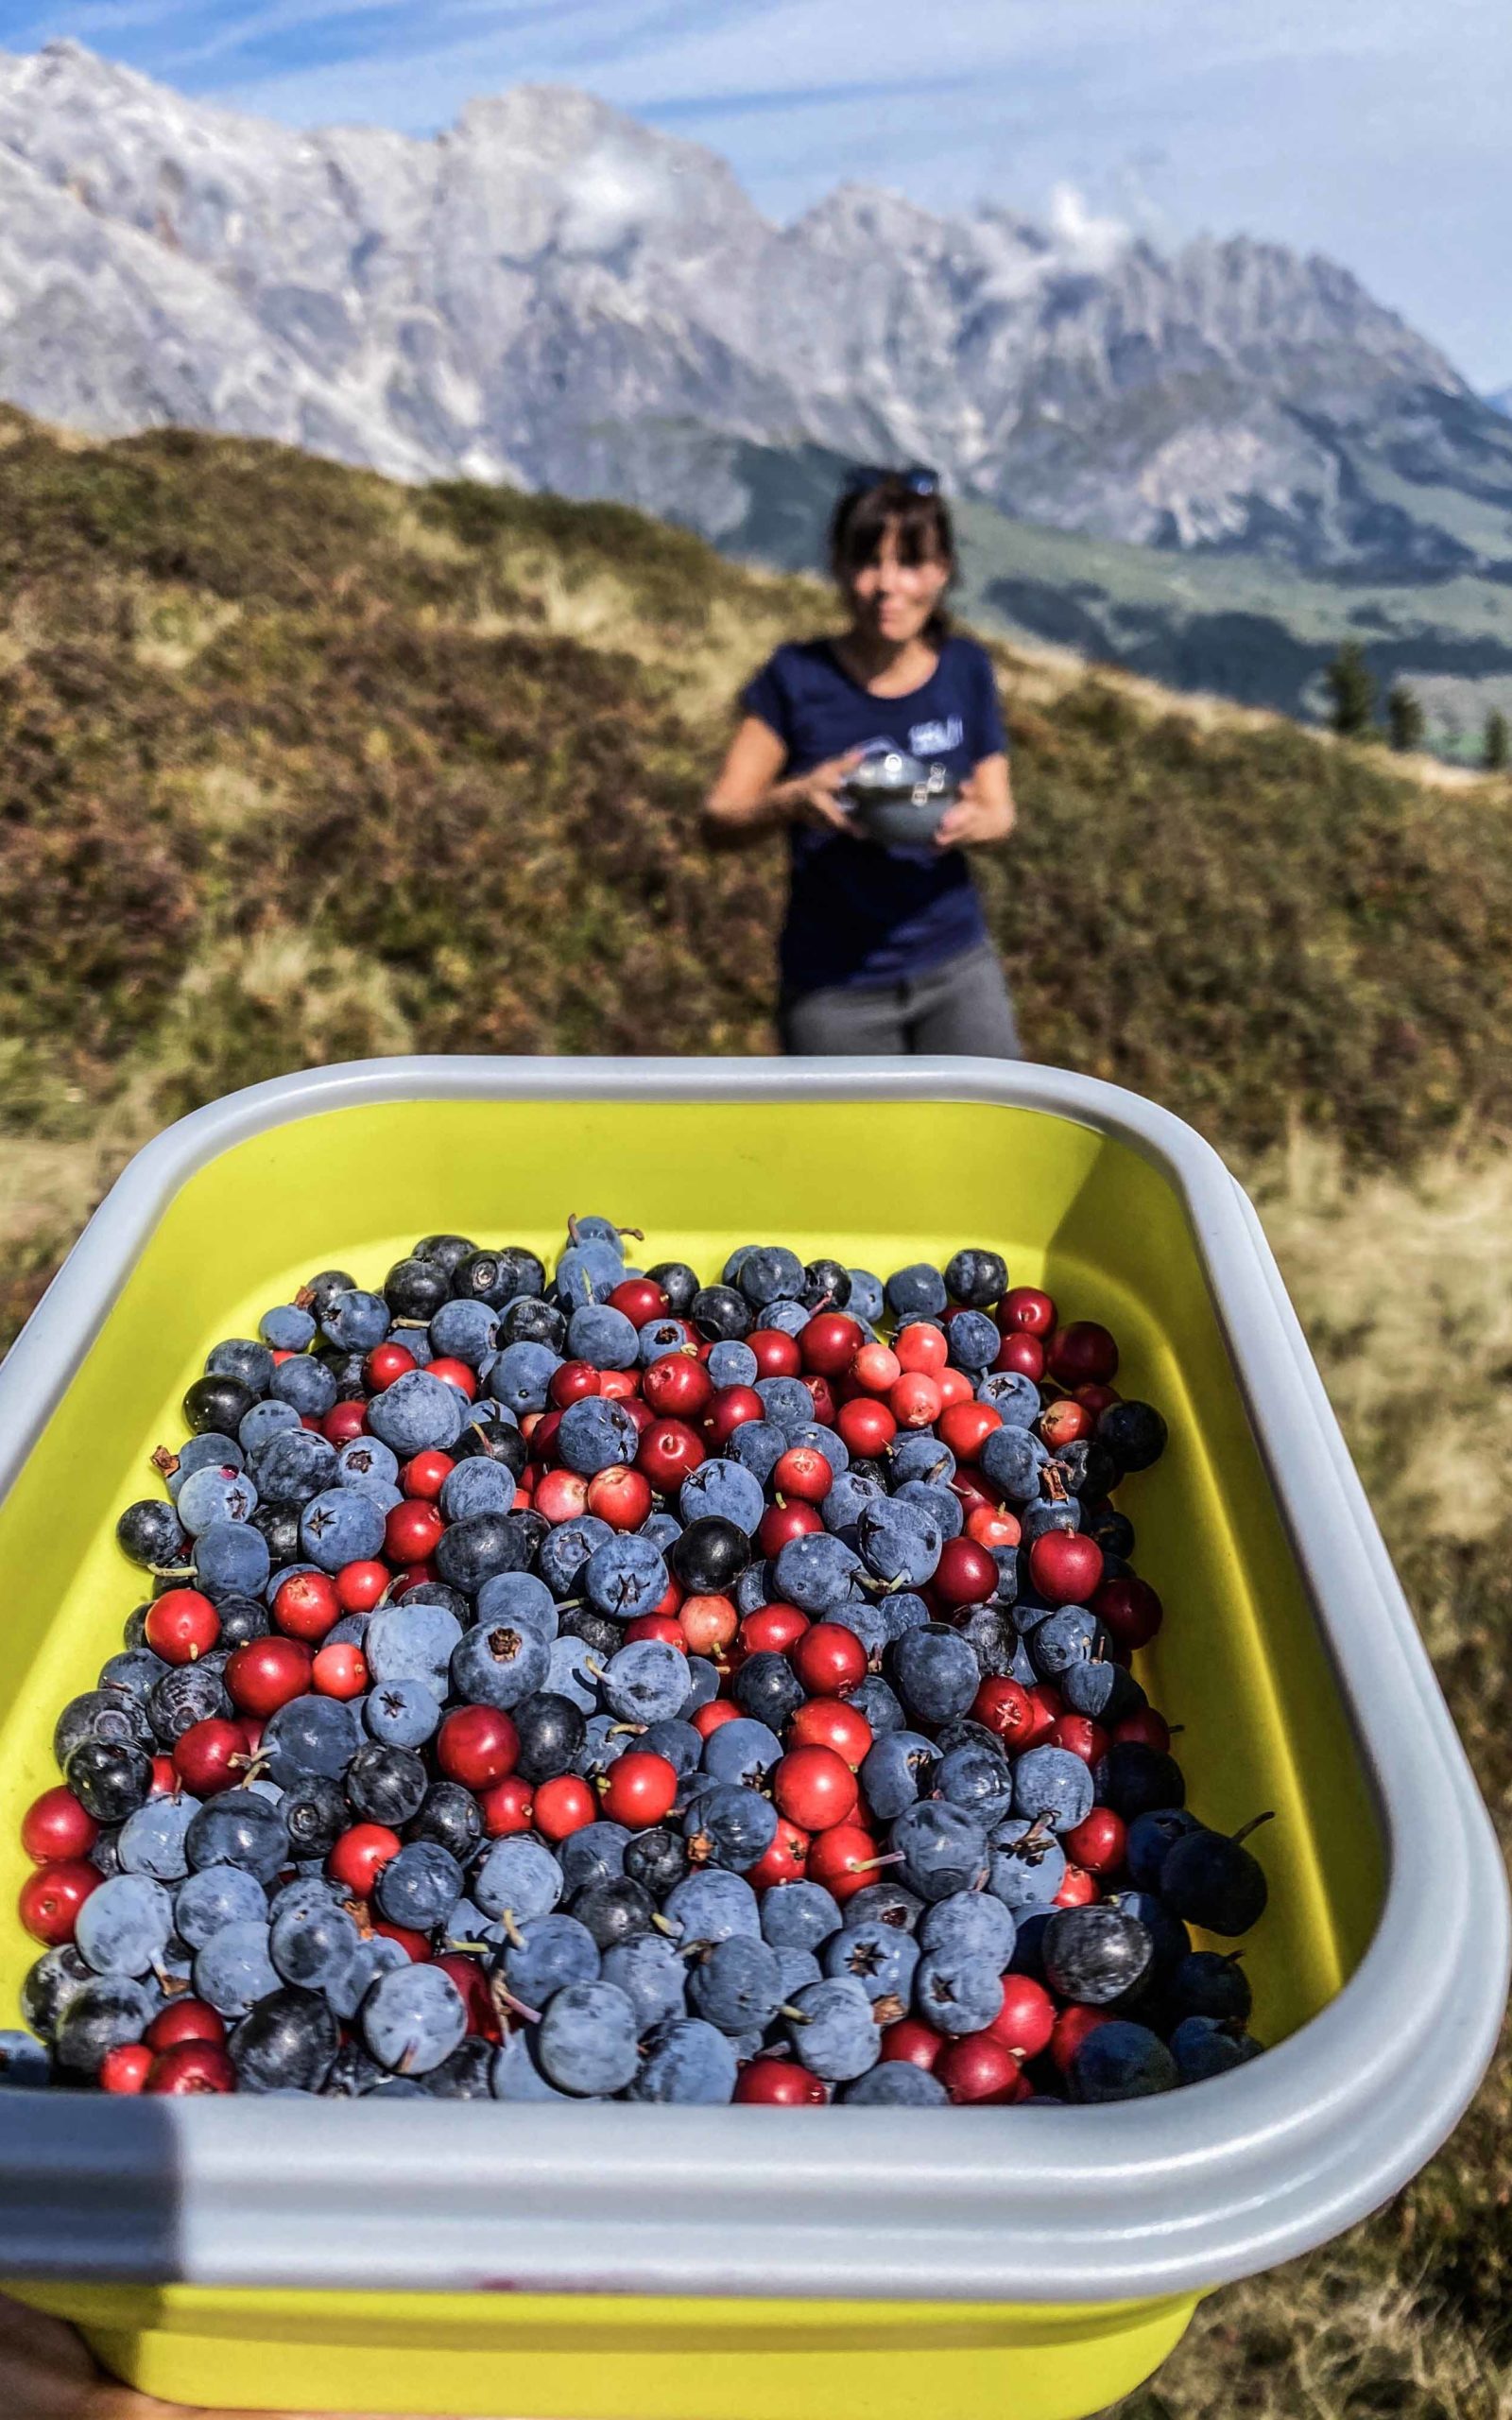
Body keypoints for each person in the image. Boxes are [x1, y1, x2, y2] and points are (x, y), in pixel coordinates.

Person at [705, 466, 1020, 1055]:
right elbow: (720, 818)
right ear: (840, 567)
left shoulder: (966, 670)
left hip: (957, 967)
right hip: (834, 989)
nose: (887, 586)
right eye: (868, 562)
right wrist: (794, 799)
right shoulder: (794, 679)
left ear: (942, 571)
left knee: (989, 1143)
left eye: (910, 563)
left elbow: (1001, 813)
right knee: (850, 1152)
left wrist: (975, 822)